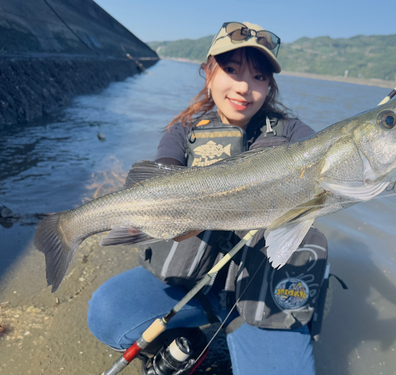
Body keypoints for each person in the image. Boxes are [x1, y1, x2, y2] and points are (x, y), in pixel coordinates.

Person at [88, 22, 330, 375]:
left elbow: (334, 155)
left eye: (258, 76)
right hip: (192, 282)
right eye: (231, 70)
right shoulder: (183, 131)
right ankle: (186, 340)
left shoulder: (292, 133)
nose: (243, 87)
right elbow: (161, 179)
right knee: (107, 313)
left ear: (269, 86)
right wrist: (171, 221)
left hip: (257, 289)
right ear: (209, 73)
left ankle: (242, 331)